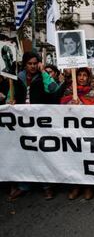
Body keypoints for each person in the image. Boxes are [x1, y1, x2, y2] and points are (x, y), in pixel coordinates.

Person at [7, 52, 60, 201]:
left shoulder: (41, 76)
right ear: (25, 64)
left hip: (39, 122)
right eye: (29, 64)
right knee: (23, 153)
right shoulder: (17, 79)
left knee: (42, 152)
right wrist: (10, 101)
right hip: (22, 123)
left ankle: (46, 186)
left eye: (35, 63)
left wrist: (43, 72)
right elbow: (9, 96)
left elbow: (53, 88)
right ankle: (24, 185)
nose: (32, 66)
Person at [61, 68, 94, 200]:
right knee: (75, 158)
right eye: (79, 75)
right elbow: (60, 109)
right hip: (73, 130)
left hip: (89, 130)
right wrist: (71, 103)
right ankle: (76, 185)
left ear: (88, 78)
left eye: (84, 75)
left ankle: (88, 186)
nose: (82, 78)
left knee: (88, 157)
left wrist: (81, 104)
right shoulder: (68, 91)